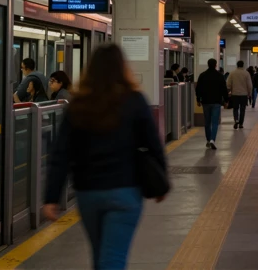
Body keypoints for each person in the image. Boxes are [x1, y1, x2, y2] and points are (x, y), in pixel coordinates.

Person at [43, 44, 166, 269]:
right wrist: (161, 183)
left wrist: (52, 196)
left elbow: (61, 153)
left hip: (89, 192)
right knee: (113, 259)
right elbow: (153, 144)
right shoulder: (135, 100)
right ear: (122, 68)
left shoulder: (78, 104)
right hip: (125, 190)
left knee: (100, 256)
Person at [195, 59, 228, 149]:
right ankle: (212, 139)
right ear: (216, 65)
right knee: (215, 122)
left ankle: (208, 140)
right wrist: (226, 100)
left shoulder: (202, 75)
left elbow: (198, 89)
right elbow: (224, 89)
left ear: (208, 64)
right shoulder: (219, 76)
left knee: (207, 122)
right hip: (216, 101)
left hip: (205, 102)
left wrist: (198, 99)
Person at [227, 60, 253, 129]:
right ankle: (241, 123)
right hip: (244, 95)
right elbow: (249, 85)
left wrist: (229, 91)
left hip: (235, 94)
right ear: (243, 65)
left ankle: (236, 120)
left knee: (235, 108)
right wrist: (249, 93)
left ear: (237, 65)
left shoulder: (232, 73)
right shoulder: (246, 73)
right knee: (242, 109)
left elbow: (228, 84)